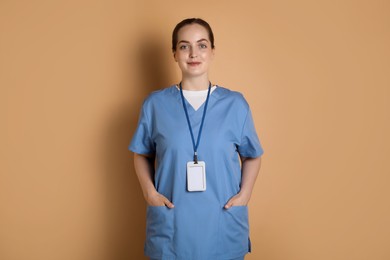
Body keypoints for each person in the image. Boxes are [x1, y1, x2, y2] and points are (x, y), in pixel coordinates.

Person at [129, 18, 263, 260]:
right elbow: (141, 153)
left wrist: (245, 194)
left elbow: (252, 155)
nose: (193, 53)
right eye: (184, 46)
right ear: (174, 54)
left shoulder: (235, 104)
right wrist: (150, 193)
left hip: (222, 221)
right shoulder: (155, 105)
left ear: (212, 51)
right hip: (173, 227)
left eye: (201, 45)